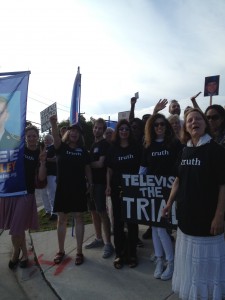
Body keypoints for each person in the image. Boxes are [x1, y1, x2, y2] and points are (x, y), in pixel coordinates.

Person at [162, 108, 225, 299]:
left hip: (208, 220)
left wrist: (219, 216)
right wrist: (169, 203)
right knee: (190, 264)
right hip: (186, 218)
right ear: (185, 127)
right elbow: (178, 181)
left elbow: (224, 185)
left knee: (206, 266)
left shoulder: (216, 150)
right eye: (189, 120)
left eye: (198, 119)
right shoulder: (184, 151)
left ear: (205, 124)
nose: (193, 122)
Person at [140, 113, 183, 281]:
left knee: (162, 228)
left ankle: (170, 262)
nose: (159, 127)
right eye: (156, 125)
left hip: (171, 192)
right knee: (156, 227)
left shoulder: (174, 144)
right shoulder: (148, 146)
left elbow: (181, 166)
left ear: (166, 126)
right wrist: (136, 187)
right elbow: (143, 169)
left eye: (162, 124)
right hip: (153, 192)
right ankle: (160, 260)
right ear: (152, 127)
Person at [0, 125, 46, 269]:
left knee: (16, 228)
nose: (31, 139)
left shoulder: (40, 152)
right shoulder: (19, 149)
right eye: (29, 136)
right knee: (18, 228)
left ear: (38, 137)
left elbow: (41, 177)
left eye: (34, 136)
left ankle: (15, 253)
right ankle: (25, 254)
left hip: (27, 194)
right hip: (13, 192)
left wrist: (43, 161)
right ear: (25, 138)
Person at [50, 115, 93, 266]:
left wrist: (90, 183)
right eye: (72, 130)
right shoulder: (61, 147)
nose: (74, 133)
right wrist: (54, 123)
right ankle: (61, 251)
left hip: (79, 188)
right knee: (62, 220)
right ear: (68, 133)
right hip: (62, 188)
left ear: (80, 135)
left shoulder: (83, 151)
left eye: (77, 131)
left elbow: (87, 168)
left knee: (79, 218)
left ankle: (79, 251)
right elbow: (55, 137)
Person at [106, 119, 141, 269]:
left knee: (132, 222)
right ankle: (119, 253)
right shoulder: (112, 148)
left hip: (133, 189)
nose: (124, 131)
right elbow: (109, 169)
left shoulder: (136, 147)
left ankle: (132, 253)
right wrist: (108, 186)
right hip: (116, 189)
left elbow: (142, 167)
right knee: (118, 222)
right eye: (121, 129)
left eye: (127, 129)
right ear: (118, 131)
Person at [85, 118, 114, 258]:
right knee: (93, 212)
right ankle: (98, 238)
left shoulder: (104, 145)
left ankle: (108, 243)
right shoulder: (92, 145)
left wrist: (85, 164)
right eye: (95, 127)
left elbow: (101, 164)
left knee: (102, 212)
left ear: (103, 130)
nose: (97, 130)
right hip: (91, 183)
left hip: (101, 183)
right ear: (93, 128)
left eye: (100, 128)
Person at [40, 134, 57, 220]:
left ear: (52, 140)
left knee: (51, 193)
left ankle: (54, 212)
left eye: (47, 139)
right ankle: (48, 210)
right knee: (44, 193)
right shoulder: (44, 149)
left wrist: (46, 159)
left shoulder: (54, 147)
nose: (46, 141)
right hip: (43, 174)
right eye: (45, 140)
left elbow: (56, 158)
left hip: (52, 173)